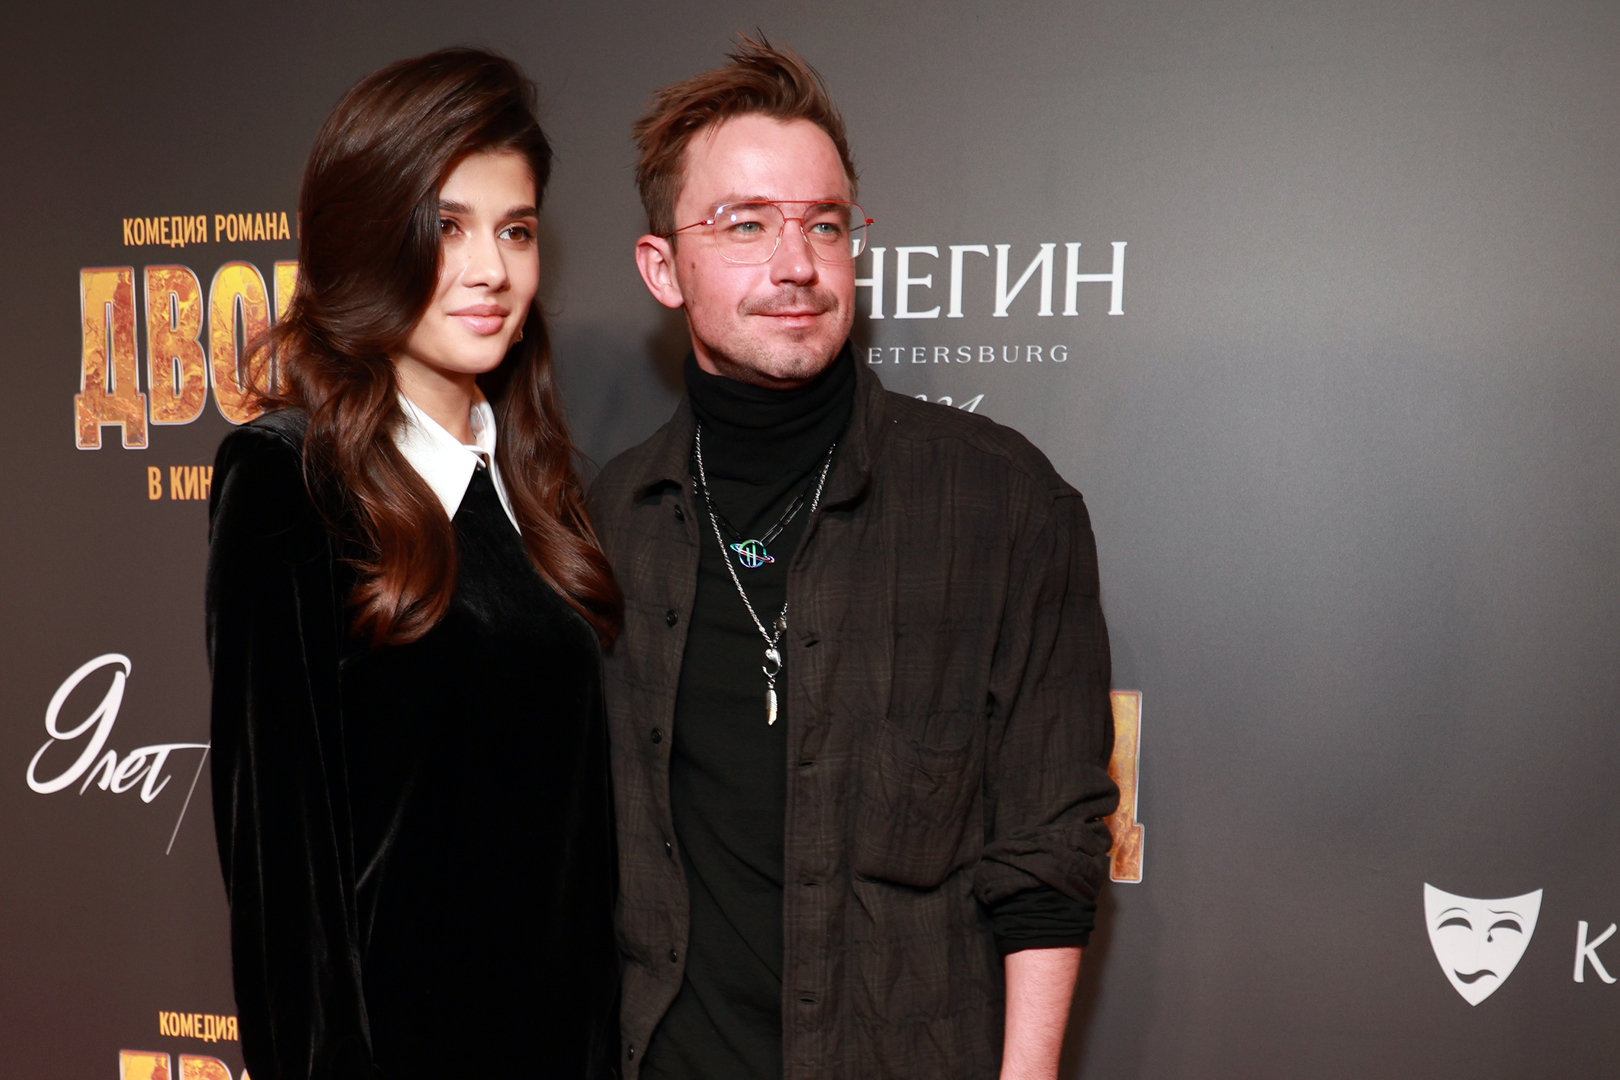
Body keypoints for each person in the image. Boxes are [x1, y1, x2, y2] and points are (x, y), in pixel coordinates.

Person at [587, 37, 1117, 1080]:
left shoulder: (1004, 504)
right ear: (662, 267)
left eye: (824, 224)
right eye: (746, 224)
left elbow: (1050, 848)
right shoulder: (610, 521)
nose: (797, 265)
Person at [206, 48, 620, 1079]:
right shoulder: (292, 483)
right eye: (447, 226)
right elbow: (285, 893)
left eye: (516, 230)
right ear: (367, 239)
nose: (491, 271)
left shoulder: (538, 485)